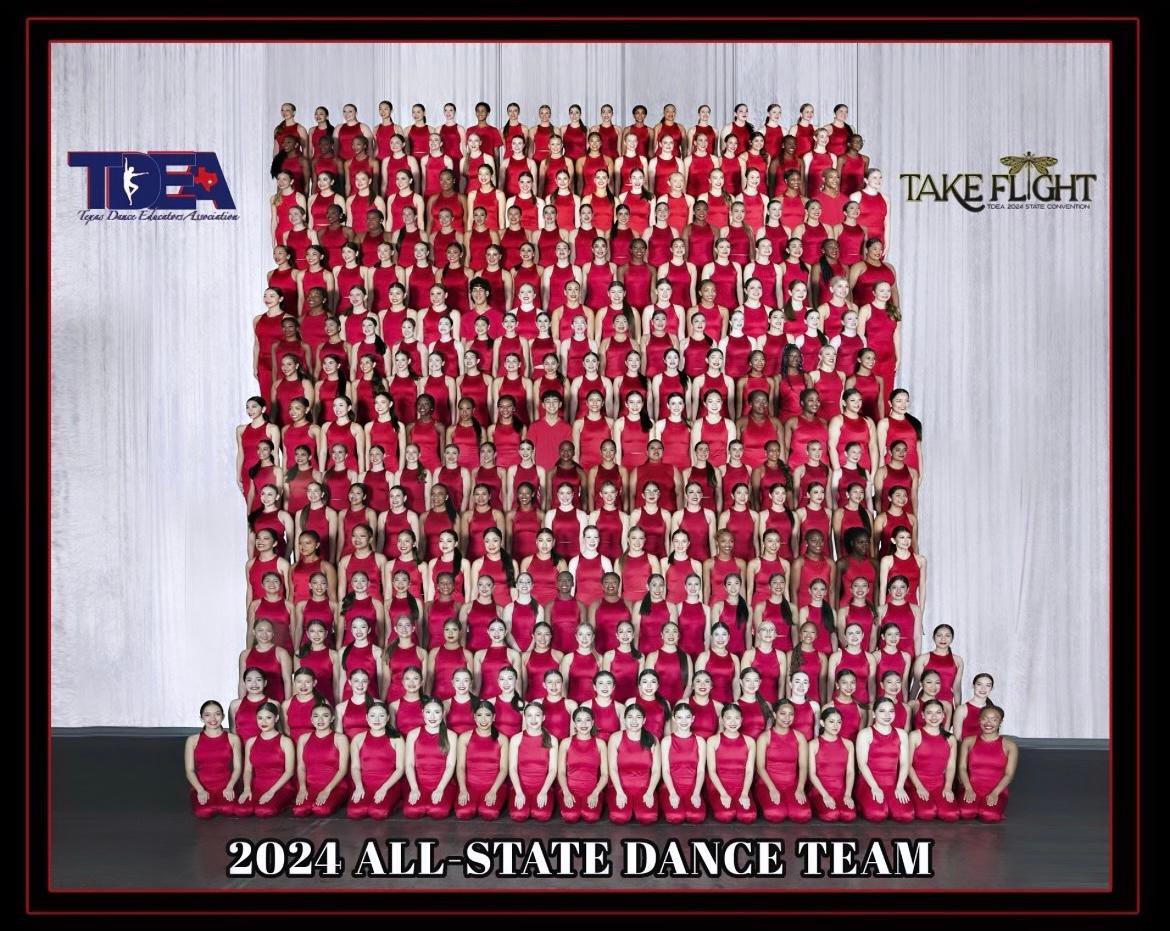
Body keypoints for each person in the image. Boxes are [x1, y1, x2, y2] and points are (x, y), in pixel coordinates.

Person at [854, 696, 915, 821]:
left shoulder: (902, 734)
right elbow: (862, 764)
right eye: (882, 711)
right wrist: (874, 787)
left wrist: (900, 786)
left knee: (906, 815)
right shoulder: (865, 734)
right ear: (874, 714)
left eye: (891, 711)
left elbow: (904, 763)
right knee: (877, 814)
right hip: (869, 782)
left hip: (892, 783)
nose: (887, 715)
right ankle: (863, 800)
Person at [754, 698, 813, 822]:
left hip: (791, 784)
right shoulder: (764, 737)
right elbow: (760, 767)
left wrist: (800, 788)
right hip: (767, 783)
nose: (787, 718)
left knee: (802, 814)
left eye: (791, 714)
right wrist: (772, 789)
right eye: (782, 713)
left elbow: (803, 767)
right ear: (775, 715)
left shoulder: (800, 737)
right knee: (775, 814)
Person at [234, 701, 296, 817]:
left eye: (268, 718)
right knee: (241, 810)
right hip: (257, 786)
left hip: (280, 787)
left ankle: (286, 801)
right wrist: (246, 789)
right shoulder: (251, 742)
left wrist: (271, 792)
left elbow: (289, 772)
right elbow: (247, 770)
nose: (263, 722)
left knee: (264, 811)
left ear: (276, 718)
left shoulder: (285, 741)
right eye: (260, 718)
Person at [958, 705, 1018, 822]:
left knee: (989, 815)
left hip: (996, 789)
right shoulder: (968, 741)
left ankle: (989, 806)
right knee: (965, 813)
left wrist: (995, 793)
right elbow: (962, 768)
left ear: (1000, 722)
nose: (988, 723)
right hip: (971, 787)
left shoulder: (1010, 746)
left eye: (994, 719)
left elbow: (1009, 774)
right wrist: (968, 788)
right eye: (985, 718)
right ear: (979, 720)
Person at [346, 700, 406, 819]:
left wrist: (384, 788)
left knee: (378, 812)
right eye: (373, 715)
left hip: (389, 784)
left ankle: (397, 801)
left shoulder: (397, 738)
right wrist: (358, 786)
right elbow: (355, 767)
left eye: (381, 715)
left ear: (388, 718)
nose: (377, 719)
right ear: (367, 718)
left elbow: (400, 769)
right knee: (354, 812)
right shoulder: (358, 739)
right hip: (365, 784)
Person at [454, 700, 510, 820]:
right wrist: (462, 789)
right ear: (474, 717)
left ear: (493, 717)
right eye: (479, 715)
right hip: (470, 785)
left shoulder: (502, 739)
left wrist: (493, 790)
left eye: (487, 715)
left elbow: (504, 769)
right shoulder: (464, 737)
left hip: (494, 785)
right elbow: (460, 767)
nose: (483, 720)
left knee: (489, 813)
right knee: (463, 812)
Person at [185, 701, 243, 818]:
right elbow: (189, 770)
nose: (213, 719)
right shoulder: (192, 740)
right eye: (207, 715)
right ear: (201, 718)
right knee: (203, 812)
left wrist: (230, 786)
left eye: (217, 714)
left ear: (223, 716)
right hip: (202, 786)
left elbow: (237, 768)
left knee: (229, 809)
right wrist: (200, 790)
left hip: (226, 785)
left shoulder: (233, 739)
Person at [292, 701, 350, 817]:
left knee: (321, 810)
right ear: (311, 719)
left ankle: (338, 799)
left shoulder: (340, 738)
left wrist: (327, 790)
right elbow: (301, 767)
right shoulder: (303, 738)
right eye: (316, 716)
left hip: (335, 786)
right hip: (311, 786)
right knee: (299, 810)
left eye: (325, 715)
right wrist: (302, 788)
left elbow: (342, 769)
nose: (320, 720)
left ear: (332, 718)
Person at [402, 697, 457, 818]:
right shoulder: (413, 734)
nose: (432, 717)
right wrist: (414, 788)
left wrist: (440, 789)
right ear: (422, 713)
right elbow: (409, 765)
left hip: (443, 783)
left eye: (436, 712)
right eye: (428, 712)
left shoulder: (451, 735)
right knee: (411, 811)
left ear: (443, 713)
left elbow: (450, 765)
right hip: (418, 782)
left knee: (438, 812)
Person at [907, 699, 961, 821]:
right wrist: (919, 786)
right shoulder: (914, 735)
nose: (934, 716)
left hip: (938, 784)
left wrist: (948, 787)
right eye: (929, 713)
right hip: (917, 782)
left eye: (938, 712)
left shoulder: (950, 739)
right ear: (923, 715)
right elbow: (908, 765)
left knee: (951, 814)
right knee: (926, 813)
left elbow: (951, 766)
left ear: (943, 715)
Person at [607, 704, 661, 824]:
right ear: (624, 720)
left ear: (644, 720)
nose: (634, 721)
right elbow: (612, 768)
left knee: (648, 817)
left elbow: (656, 770)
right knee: (619, 816)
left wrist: (650, 792)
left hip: (644, 787)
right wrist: (619, 791)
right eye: (630, 717)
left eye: (638, 717)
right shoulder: (615, 738)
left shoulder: (652, 739)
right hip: (620, 786)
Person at [705, 703, 757, 822]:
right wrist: (723, 793)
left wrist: (744, 793)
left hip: (741, 786)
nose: (733, 722)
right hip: (718, 786)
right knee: (725, 815)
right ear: (722, 720)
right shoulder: (713, 741)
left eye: (737, 718)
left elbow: (749, 771)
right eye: (728, 718)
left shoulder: (750, 741)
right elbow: (711, 771)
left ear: (741, 720)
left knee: (748, 816)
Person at [508, 702, 559, 821]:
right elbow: (512, 768)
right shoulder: (516, 739)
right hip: (521, 786)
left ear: (543, 717)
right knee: (519, 815)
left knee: (542, 815)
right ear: (524, 717)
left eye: (537, 715)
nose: (533, 719)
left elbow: (553, 770)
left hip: (543, 786)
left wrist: (544, 791)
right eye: (529, 715)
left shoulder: (552, 740)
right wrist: (518, 792)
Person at [558, 706, 609, 823]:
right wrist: (566, 792)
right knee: (570, 816)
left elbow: (605, 774)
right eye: (579, 720)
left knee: (591, 816)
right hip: (570, 789)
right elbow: (561, 772)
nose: (584, 724)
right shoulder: (566, 743)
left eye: (587, 720)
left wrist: (595, 793)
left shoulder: (600, 744)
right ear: (574, 723)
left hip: (592, 789)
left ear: (592, 722)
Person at [807, 706, 857, 821]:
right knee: (831, 814)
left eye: (839, 722)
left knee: (849, 815)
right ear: (822, 723)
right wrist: (825, 795)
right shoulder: (813, 744)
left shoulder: (848, 744)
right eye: (831, 721)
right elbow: (812, 774)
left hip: (841, 791)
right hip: (819, 791)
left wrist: (848, 794)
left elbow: (850, 772)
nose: (836, 725)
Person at [953, 674, 997, 741]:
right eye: (979, 684)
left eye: (988, 685)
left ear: (991, 688)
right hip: (966, 747)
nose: (983, 688)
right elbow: (957, 738)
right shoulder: (962, 709)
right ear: (973, 686)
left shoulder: (993, 710)